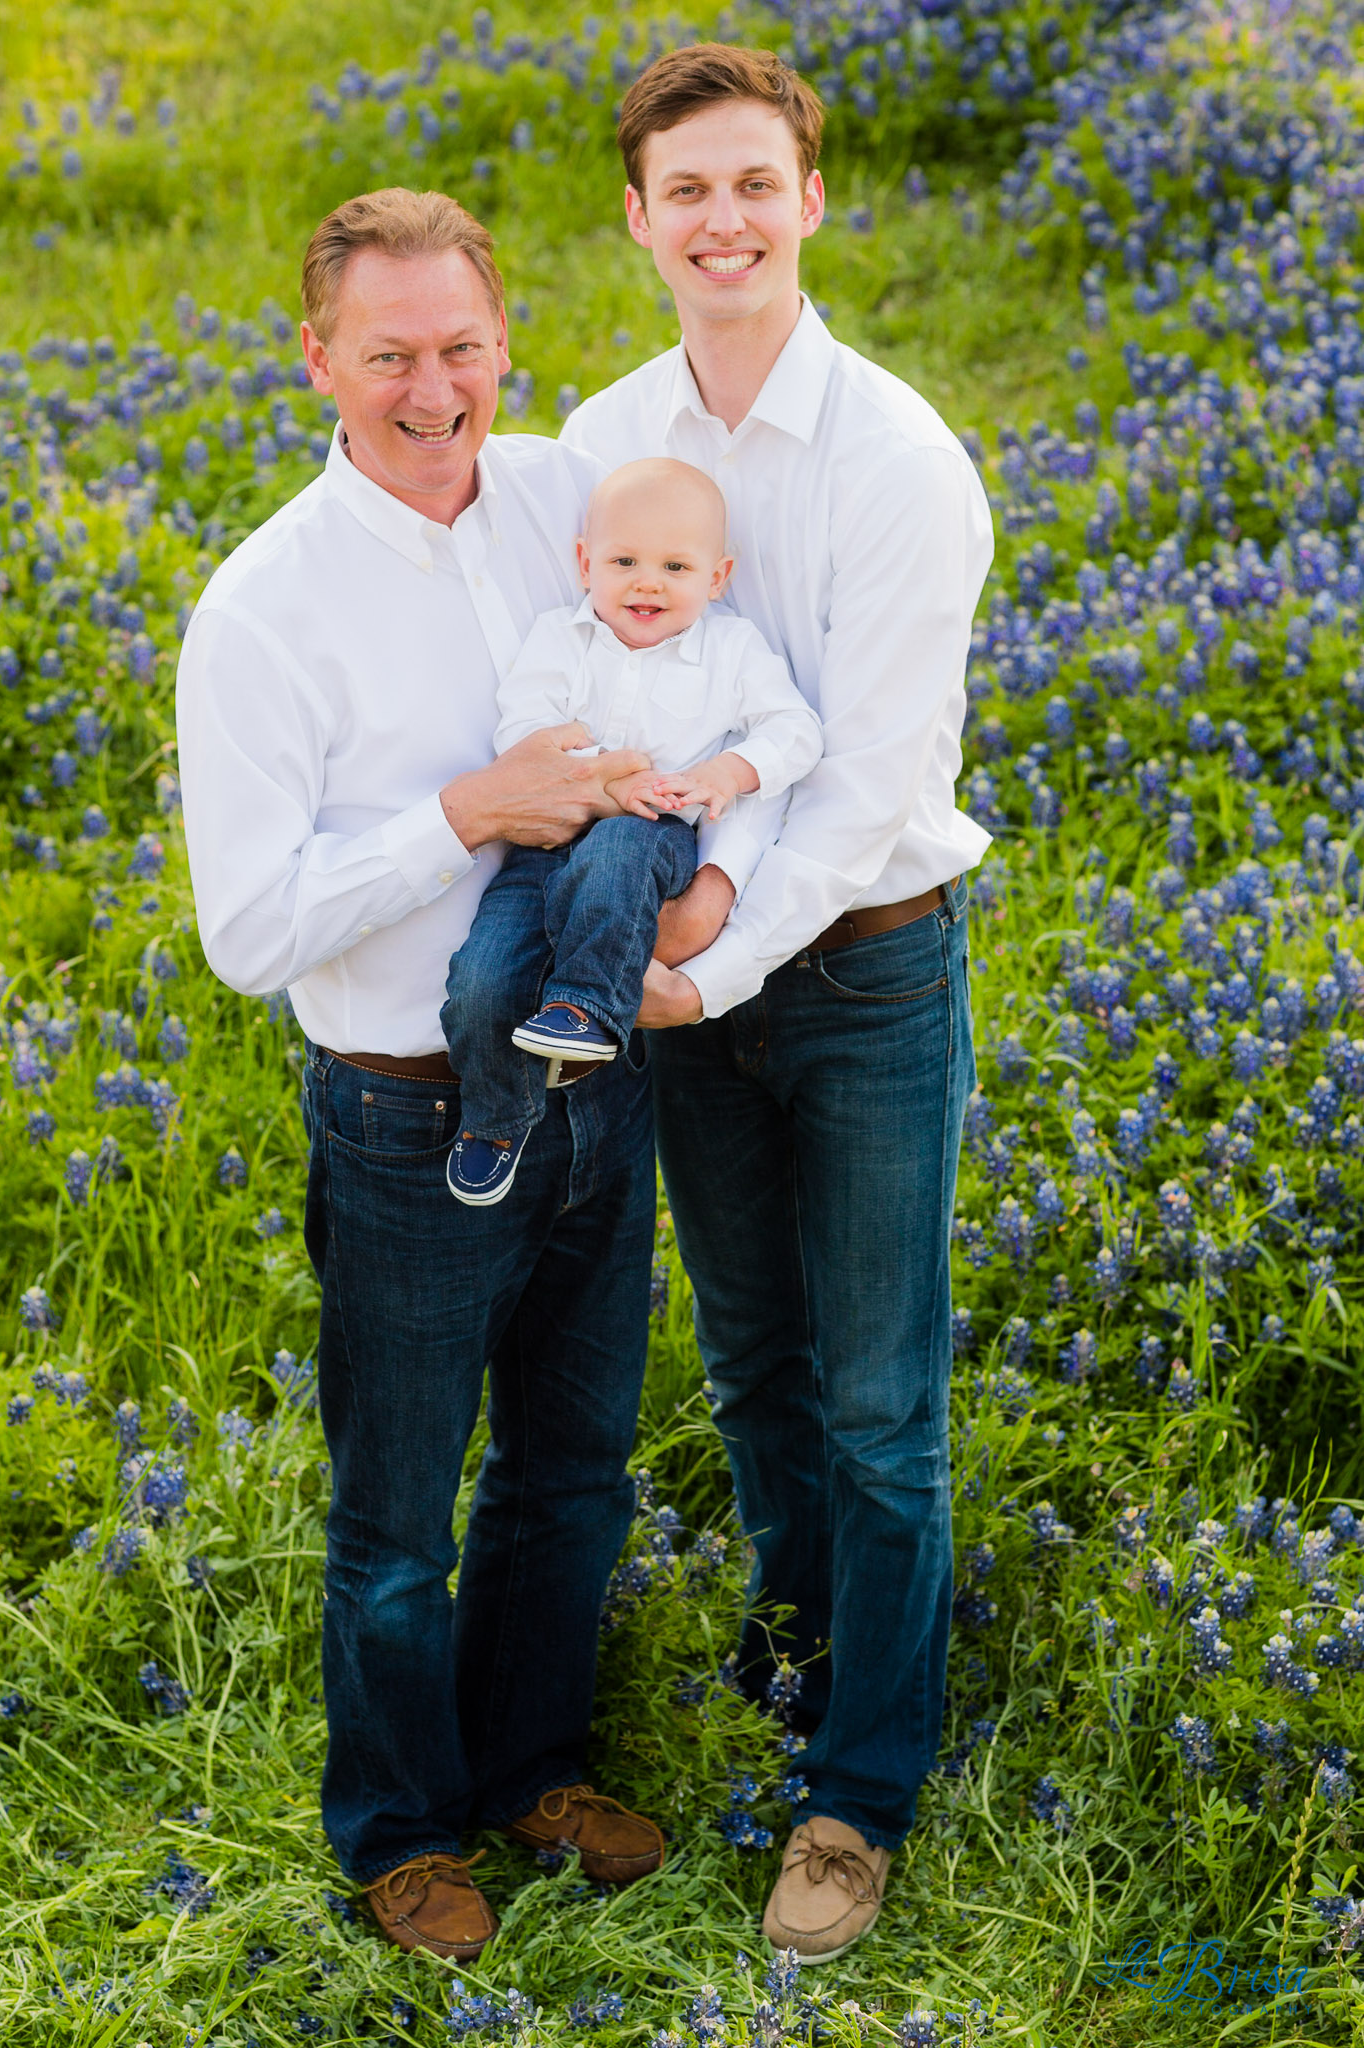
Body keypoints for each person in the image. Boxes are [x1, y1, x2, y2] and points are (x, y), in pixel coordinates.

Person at [175, 187, 669, 1964]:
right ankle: (396, 1823)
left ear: (504, 340)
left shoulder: (562, 501)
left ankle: (532, 1762)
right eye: (387, 352)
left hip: (600, 1085)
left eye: (459, 345)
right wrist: (465, 815)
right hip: (403, 1111)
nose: (432, 385)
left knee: (574, 1466)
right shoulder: (264, 608)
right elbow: (247, 926)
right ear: (316, 359)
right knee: (396, 1509)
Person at [561, 44, 995, 1959]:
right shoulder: (597, 435)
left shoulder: (900, 458)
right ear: (640, 221)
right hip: (688, 980)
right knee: (751, 1361)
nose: (722, 220)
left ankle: (859, 1785)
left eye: (756, 183)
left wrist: (702, 958)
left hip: (866, 962)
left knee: (885, 1400)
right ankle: (807, 1633)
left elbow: (872, 781)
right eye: (687, 191)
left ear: (811, 201)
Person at [440, 455, 822, 1204]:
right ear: (586, 563)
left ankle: (586, 1008)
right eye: (624, 561)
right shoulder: (559, 639)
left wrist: (726, 774)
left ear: (717, 577)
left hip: (651, 839)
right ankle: (494, 1120)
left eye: (676, 566)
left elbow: (795, 731)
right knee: (481, 980)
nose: (647, 582)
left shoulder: (732, 650)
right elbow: (522, 724)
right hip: (544, 846)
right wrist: (595, 772)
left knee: (618, 849)